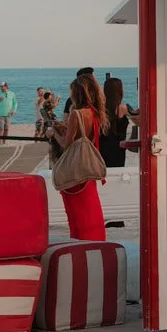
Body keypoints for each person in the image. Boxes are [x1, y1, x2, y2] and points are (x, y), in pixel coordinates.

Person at [54, 75, 108, 240]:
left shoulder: (76, 114)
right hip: (87, 168)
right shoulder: (95, 112)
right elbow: (85, 136)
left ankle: (80, 243)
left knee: (76, 215)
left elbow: (66, 144)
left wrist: (53, 133)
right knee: (90, 210)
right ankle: (97, 241)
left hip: (75, 171)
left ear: (77, 94)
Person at [99, 76, 131, 168]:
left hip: (101, 151)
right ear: (120, 91)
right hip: (118, 152)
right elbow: (140, 120)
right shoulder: (123, 109)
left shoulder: (100, 110)